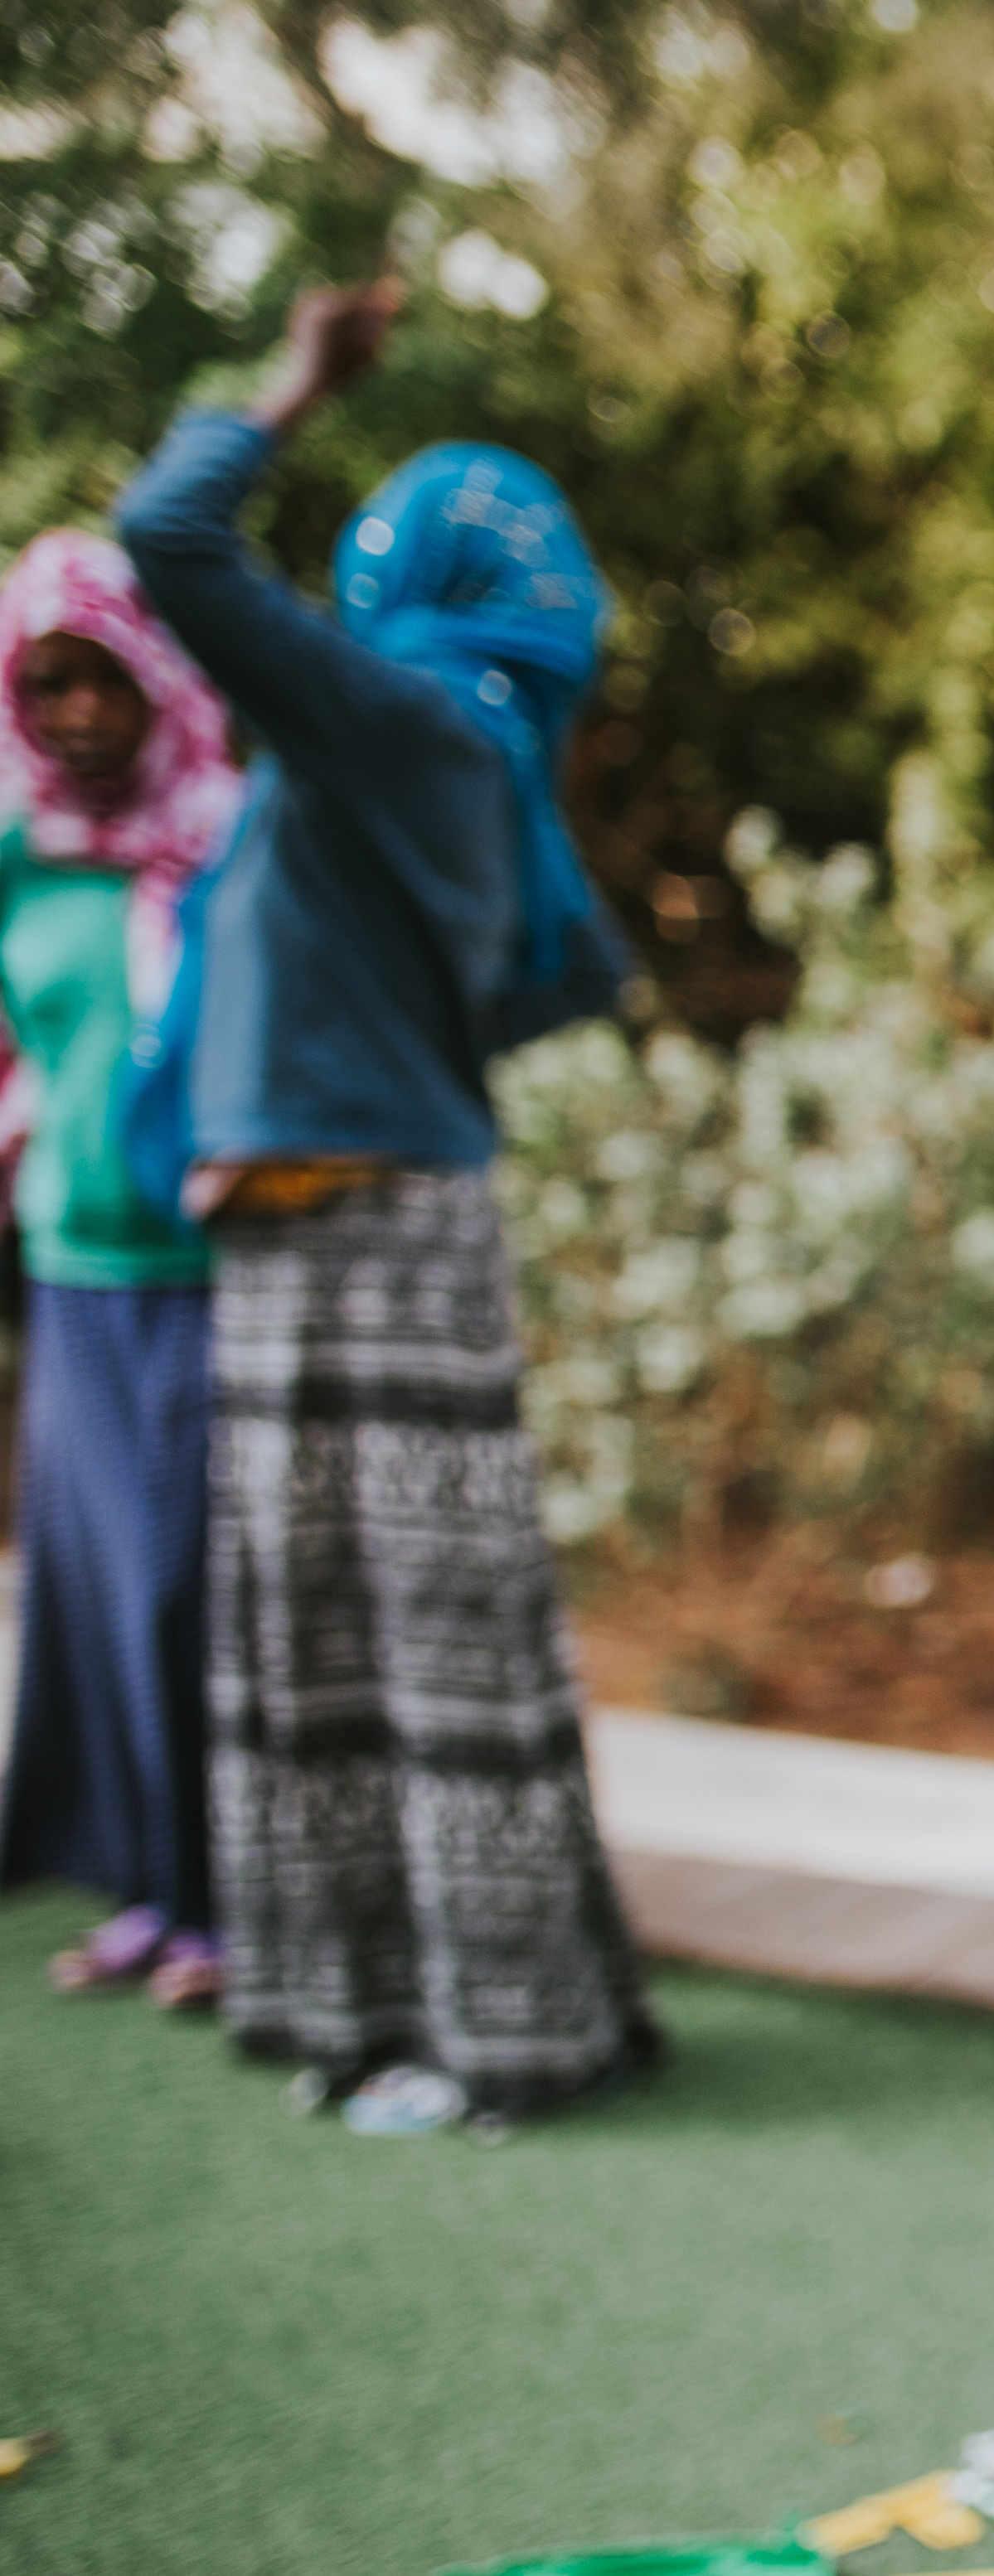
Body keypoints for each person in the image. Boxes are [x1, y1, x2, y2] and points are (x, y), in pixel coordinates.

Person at [114, 279, 652, 2138]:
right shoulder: (435, 744)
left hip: (374, 1236)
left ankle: (501, 2038)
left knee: (423, 1653)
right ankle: (384, 2007)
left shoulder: (408, 721)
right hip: (311, 1230)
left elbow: (166, 540)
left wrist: (292, 384)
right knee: (333, 1645)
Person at [0, 531, 250, 2009]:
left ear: (156, 677)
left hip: (210, 1272)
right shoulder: (19, 857)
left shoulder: (227, 837)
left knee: (187, 1590)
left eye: (102, 680)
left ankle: (227, 1899)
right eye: (50, 685)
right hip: (69, 1267)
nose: (81, 713)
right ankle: (147, 1895)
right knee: (90, 1596)